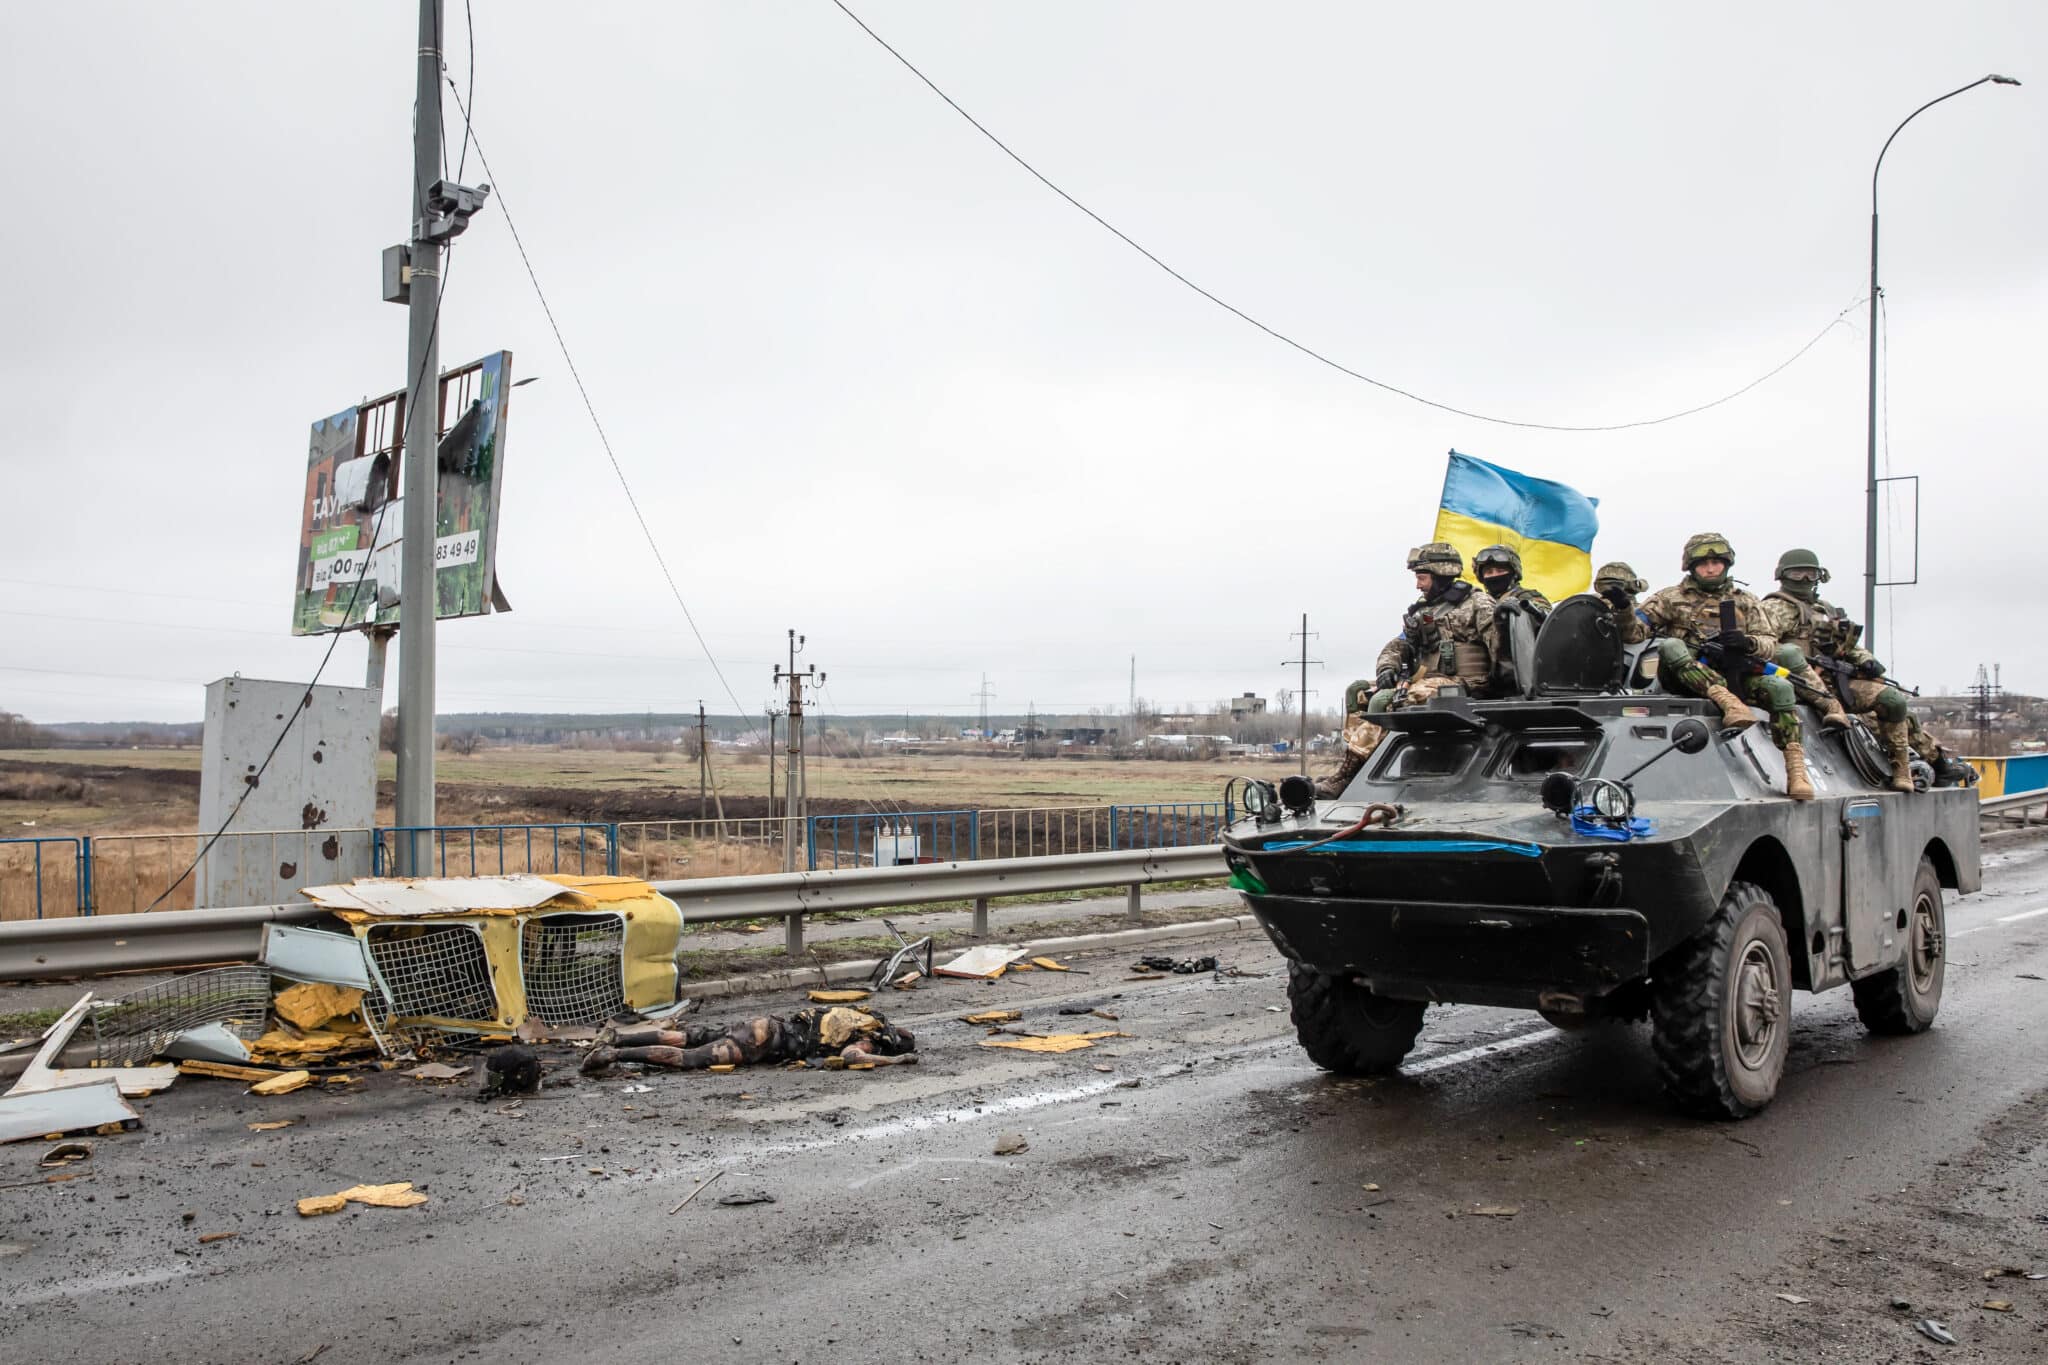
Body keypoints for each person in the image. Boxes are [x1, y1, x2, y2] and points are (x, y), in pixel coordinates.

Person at [1635, 533, 1814, 801]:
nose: (1710, 568)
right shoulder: (1669, 598)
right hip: (1685, 677)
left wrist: (1748, 642)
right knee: (1671, 645)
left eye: (1716, 562)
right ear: (1691, 566)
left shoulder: (1747, 601)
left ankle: (1796, 768)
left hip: (1737, 674)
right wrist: (1624, 611)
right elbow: (1634, 633)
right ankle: (1727, 702)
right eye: (1703, 563)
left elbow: (1769, 644)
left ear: (1727, 564)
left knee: (1780, 687)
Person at [1312, 544, 1501, 797]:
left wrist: (1500, 686)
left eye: (1422, 578)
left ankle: (1345, 778)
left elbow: (1500, 647)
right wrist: (1387, 667)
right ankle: (1355, 766)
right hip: (1430, 679)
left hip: (1467, 683)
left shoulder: (1478, 603)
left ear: (1440, 574)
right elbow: (1399, 644)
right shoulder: (1423, 609)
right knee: (1358, 692)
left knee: (1390, 701)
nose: (1418, 585)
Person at [1760, 549, 1909, 791]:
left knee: (1893, 701)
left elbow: (1847, 645)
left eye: (1811, 574)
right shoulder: (1774, 609)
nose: (1805, 580)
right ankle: (1831, 708)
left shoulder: (1826, 610)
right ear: (1783, 576)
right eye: (1798, 574)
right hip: (1798, 680)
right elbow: (1765, 645)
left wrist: (1866, 660)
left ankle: (1903, 769)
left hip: (1834, 679)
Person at [579, 1003, 918, 1074]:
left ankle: (618, 1038)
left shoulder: (860, 1015)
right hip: (761, 1042)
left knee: (688, 1037)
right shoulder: (868, 1039)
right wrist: (895, 1060)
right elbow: (851, 1058)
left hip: (765, 1024)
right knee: (692, 1058)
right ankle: (613, 1055)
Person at [1473, 544, 1553, 617]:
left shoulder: (1526, 596)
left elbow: (1546, 616)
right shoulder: (1477, 602)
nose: (1495, 575)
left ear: (1514, 574)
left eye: (1500, 570)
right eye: (1489, 572)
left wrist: (1521, 608)